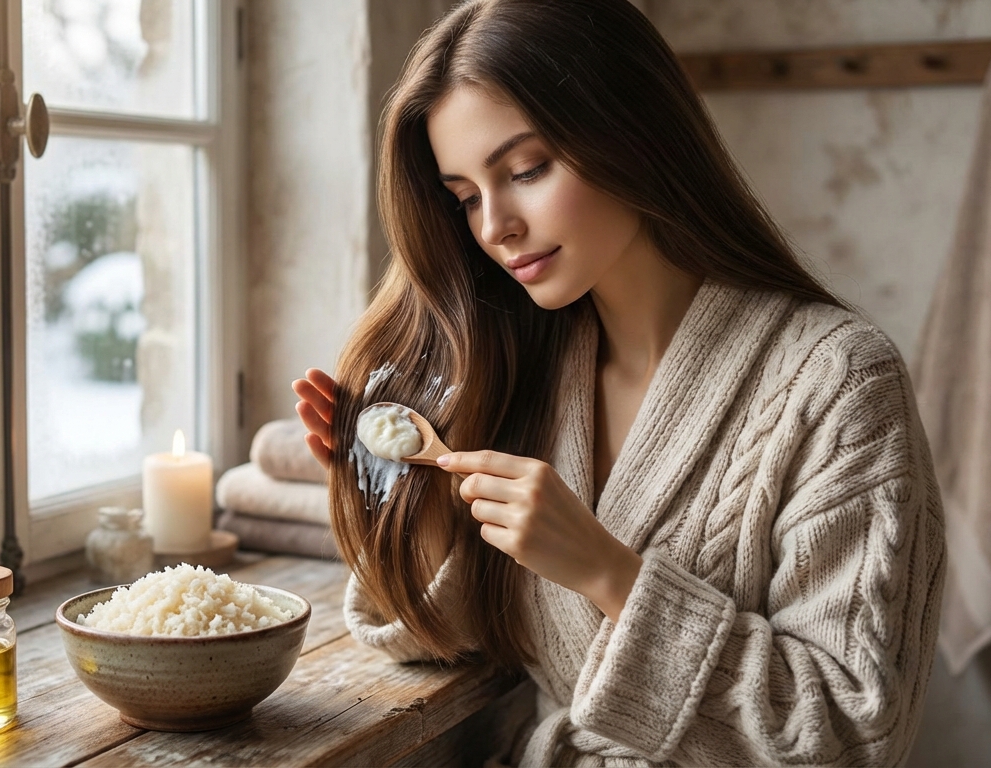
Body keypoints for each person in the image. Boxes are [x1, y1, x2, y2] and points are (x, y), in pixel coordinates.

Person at [292, 1, 945, 765]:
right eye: (466, 196)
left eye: (526, 170)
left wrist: (607, 572)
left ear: (630, 132)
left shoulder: (838, 381)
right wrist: (416, 507)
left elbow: (854, 733)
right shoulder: (523, 367)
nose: (494, 225)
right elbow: (462, 639)